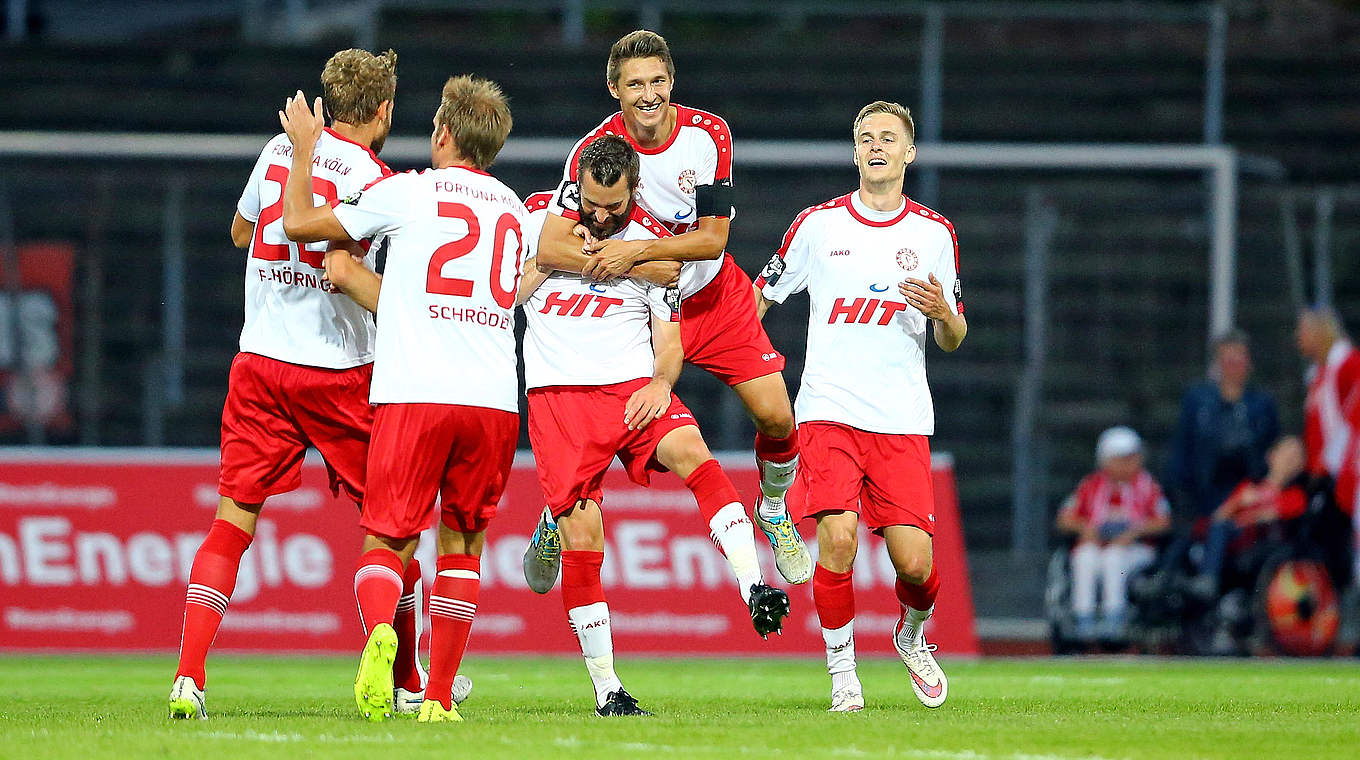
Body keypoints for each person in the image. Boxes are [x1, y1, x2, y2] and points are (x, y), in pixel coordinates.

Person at [167, 48, 425, 721]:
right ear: (384, 110)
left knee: (232, 523)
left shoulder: (281, 147)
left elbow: (240, 231)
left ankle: (189, 677)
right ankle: (403, 673)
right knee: (393, 526)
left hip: (258, 362)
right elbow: (352, 271)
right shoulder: (376, 177)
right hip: (340, 371)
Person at [276, 74, 523, 724]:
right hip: (493, 398)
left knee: (387, 543)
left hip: (414, 393)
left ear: (442, 132)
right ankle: (439, 699)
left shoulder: (408, 191)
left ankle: (383, 631)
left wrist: (305, 149)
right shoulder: (516, 212)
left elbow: (299, 225)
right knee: (464, 546)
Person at [519, 135, 790, 716]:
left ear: (634, 191)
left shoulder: (655, 248)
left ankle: (753, 584)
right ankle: (606, 689)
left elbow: (669, 344)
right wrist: (546, 264)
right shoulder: (540, 217)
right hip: (561, 396)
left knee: (694, 449)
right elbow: (505, 296)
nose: (598, 214)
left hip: (632, 389)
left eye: (611, 206)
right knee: (584, 537)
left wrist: (661, 383)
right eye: (590, 201)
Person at [534, 30, 811, 584]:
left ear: (672, 80)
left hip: (713, 297)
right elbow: (552, 244)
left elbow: (712, 241)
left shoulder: (709, 135)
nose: (649, 94)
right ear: (614, 88)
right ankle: (554, 513)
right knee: (617, 423)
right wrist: (632, 266)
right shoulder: (594, 150)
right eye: (635, 83)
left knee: (779, 415)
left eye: (658, 80)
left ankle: (775, 509)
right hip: (638, 309)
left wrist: (639, 251)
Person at [754, 101, 966, 711]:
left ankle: (910, 632)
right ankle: (843, 674)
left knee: (916, 565)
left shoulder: (934, 233)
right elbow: (762, 299)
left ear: (909, 153)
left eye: (888, 138)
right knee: (838, 539)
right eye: (865, 137)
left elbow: (953, 337)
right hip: (828, 411)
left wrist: (942, 315)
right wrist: (746, 360)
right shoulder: (818, 227)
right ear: (854, 152)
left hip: (900, 420)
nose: (876, 146)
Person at [1056, 427, 1171, 643]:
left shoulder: (1148, 486)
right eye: (1122, 458)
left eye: (1132, 457)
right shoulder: (1090, 486)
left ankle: (1114, 617)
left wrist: (1134, 532)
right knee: (1084, 556)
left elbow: (1163, 521)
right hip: (1097, 546)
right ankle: (1084, 618)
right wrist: (1084, 528)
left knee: (1114, 558)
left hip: (1134, 550)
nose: (1130, 463)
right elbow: (1064, 518)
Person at [1164, 329, 1280, 524]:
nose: (1234, 366)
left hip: (1249, 490)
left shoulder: (1262, 404)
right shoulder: (1198, 400)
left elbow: (1272, 449)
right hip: (1205, 492)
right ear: (1218, 363)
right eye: (1228, 359)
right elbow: (1183, 448)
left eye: (1239, 359)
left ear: (1248, 362)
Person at [1192, 436, 1309, 599]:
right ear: (1271, 456)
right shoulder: (1249, 486)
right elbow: (1219, 516)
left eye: (1296, 456)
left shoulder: (1295, 495)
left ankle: (1209, 579)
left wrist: (1249, 513)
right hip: (1230, 537)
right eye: (1286, 453)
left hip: (1260, 543)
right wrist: (1238, 502)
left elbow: (1273, 516)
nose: (1289, 459)